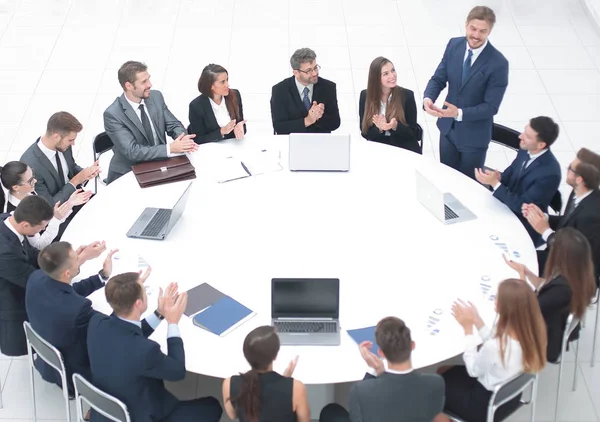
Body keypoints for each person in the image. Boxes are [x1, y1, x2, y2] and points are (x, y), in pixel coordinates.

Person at [87, 273, 222, 422]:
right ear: (138, 303)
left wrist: (160, 313)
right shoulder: (145, 350)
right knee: (212, 406)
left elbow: (127, 333)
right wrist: (172, 322)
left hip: (103, 411)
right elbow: (177, 372)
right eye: (144, 291)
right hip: (141, 415)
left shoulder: (96, 323)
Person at [440, 279, 547, 421]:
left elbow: (473, 370)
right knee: (445, 370)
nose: (494, 300)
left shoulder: (495, 346)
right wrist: (477, 321)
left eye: (497, 298)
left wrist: (468, 329)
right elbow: (497, 348)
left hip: (484, 405)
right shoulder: (531, 333)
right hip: (510, 397)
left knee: (437, 384)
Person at [423, 6, 509, 178]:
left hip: (474, 138)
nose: (476, 35)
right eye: (473, 28)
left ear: (489, 31)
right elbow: (439, 78)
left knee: (467, 186)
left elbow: (491, 107)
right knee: (446, 178)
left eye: (482, 31)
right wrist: (428, 98)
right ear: (466, 25)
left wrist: (459, 113)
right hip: (448, 131)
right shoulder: (454, 45)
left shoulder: (498, 63)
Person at [25, 242, 118, 394]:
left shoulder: (36, 278)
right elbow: (109, 328)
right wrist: (127, 299)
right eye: (77, 258)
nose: (80, 258)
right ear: (67, 273)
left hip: (45, 358)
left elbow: (66, 292)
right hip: (73, 374)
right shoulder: (78, 309)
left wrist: (102, 277)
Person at [318, 317, 447, 422]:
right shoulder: (436, 382)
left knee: (330, 411)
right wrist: (379, 371)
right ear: (412, 345)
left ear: (381, 352)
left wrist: (373, 371)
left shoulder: (361, 391)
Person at [504, 228, 596, 362]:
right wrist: (527, 273)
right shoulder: (579, 276)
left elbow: (525, 308)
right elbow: (546, 286)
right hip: (551, 326)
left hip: (542, 341)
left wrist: (521, 277)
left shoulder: (561, 291)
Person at [104, 61, 199, 183]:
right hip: (130, 172)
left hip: (159, 165)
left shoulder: (155, 97)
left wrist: (182, 138)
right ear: (128, 86)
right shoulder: (113, 114)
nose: (150, 84)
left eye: (148, 79)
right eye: (144, 82)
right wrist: (169, 148)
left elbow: (173, 124)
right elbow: (133, 152)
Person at [475, 116, 561, 245]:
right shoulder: (525, 150)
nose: (520, 136)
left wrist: (496, 184)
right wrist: (499, 178)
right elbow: (512, 171)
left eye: (527, 136)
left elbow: (523, 207)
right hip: (506, 205)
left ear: (541, 145)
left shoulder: (549, 173)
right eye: (524, 131)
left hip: (524, 224)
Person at [523, 147, 600, 281]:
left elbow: (573, 254)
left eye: (570, 168)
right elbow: (568, 222)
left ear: (579, 179)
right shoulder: (578, 192)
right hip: (557, 253)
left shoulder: (591, 216)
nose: (567, 169)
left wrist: (545, 231)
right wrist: (543, 217)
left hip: (570, 272)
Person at [0, 195, 54, 356]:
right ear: (25, 224)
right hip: (10, 302)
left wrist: (58, 258)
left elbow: (30, 253)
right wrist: (71, 265)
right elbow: (33, 280)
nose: (42, 230)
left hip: (15, 281)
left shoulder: (8, 220)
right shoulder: (5, 252)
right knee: (21, 346)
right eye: (41, 227)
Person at [223, 326, 309, 422]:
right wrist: (285, 381)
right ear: (275, 356)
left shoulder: (229, 384)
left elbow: (232, 415)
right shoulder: (297, 388)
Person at [0, 161, 91, 248]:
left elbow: (52, 216)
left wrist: (70, 203)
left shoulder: (28, 192)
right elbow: (39, 245)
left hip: (55, 229)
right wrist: (56, 219)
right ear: (16, 187)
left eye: (33, 176)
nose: (35, 181)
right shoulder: (16, 213)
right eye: (30, 180)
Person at [20, 112, 97, 207]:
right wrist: (75, 181)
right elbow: (49, 205)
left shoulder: (63, 146)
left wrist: (85, 173)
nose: (73, 144)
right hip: (59, 211)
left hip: (76, 196)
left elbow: (71, 167)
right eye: (70, 140)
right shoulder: (30, 165)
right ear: (56, 137)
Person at [270, 48, 340, 135]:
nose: (315, 73)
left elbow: (335, 123)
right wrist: (307, 120)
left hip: (320, 141)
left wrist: (318, 117)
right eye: (309, 71)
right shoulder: (280, 90)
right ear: (296, 73)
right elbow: (279, 127)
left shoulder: (328, 87)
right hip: (292, 142)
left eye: (315, 68)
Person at [358, 57, 421, 154]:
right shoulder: (365, 96)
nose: (392, 76)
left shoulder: (407, 95)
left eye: (393, 70)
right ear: (376, 78)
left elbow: (415, 133)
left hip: (404, 149)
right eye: (386, 74)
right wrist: (380, 129)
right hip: (378, 149)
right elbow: (364, 132)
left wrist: (395, 126)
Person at [188, 64, 246, 144]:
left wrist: (239, 128)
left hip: (233, 145)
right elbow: (198, 139)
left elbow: (241, 123)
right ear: (211, 86)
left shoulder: (235, 95)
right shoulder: (196, 106)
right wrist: (221, 132)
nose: (227, 85)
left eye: (227, 80)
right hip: (211, 148)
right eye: (222, 82)